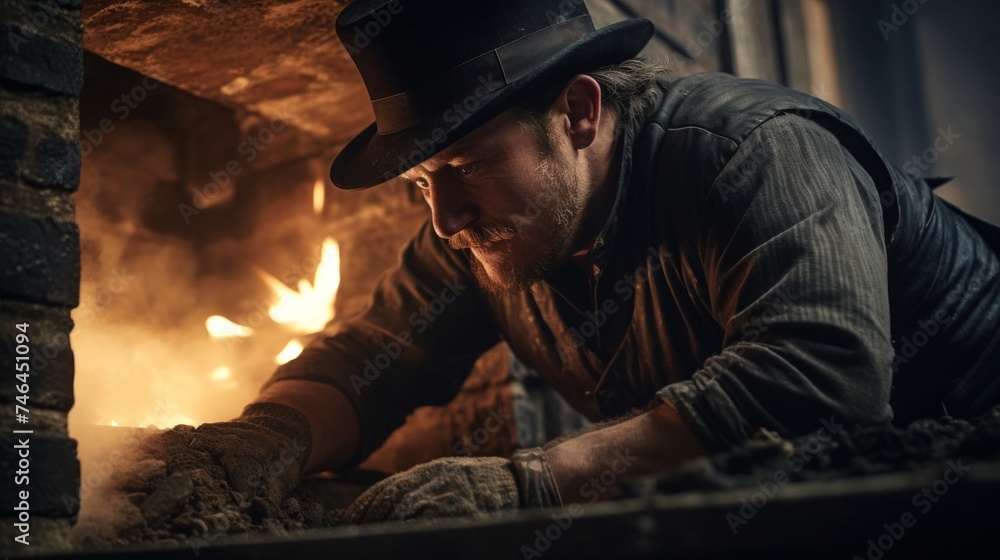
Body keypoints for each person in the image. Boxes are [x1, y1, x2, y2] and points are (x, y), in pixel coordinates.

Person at [156, 0, 1000, 522]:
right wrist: (266, 439)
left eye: (462, 168)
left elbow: (824, 379)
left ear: (580, 113)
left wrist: (530, 488)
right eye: (419, 184)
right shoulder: (482, 232)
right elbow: (371, 361)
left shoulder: (754, 150)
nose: (444, 218)